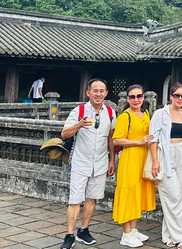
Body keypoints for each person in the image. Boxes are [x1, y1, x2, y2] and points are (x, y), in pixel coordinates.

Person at [59, 79, 116, 249]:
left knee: (92, 198)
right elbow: (64, 134)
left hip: (100, 163)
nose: (98, 94)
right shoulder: (79, 110)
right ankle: (69, 235)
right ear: (88, 93)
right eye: (95, 91)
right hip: (80, 162)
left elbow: (111, 137)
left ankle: (83, 230)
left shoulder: (111, 112)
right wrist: (79, 124)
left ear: (106, 93)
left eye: (102, 91)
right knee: (75, 200)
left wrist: (112, 160)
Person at [150, 83, 182, 249]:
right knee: (172, 197)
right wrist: (155, 160)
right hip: (166, 155)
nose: (180, 98)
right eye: (177, 95)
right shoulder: (160, 114)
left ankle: (168, 235)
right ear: (171, 96)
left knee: (179, 196)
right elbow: (153, 139)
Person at [112, 84, 156, 247]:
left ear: (143, 97)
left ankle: (134, 228)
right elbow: (116, 139)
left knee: (138, 193)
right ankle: (126, 233)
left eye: (139, 96)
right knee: (129, 193)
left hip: (144, 157)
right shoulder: (125, 116)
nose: (136, 100)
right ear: (128, 99)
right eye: (132, 97)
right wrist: (137, 141)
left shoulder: (145, 113)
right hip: (130, 157)